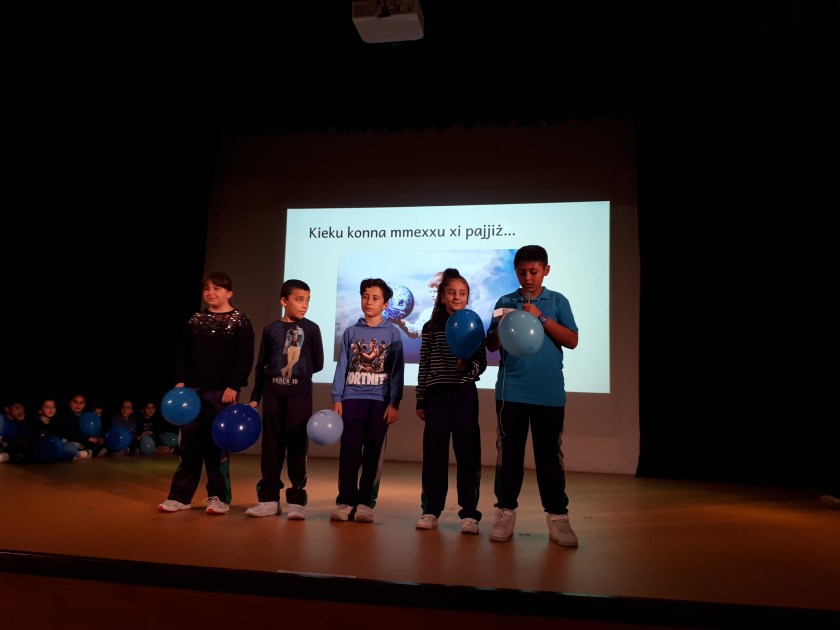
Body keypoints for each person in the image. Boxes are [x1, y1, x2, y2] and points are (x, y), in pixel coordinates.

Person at [484, 245, 580, 547]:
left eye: (534, 272)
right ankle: (505, 512)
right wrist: (502, 328)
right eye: (522, 272)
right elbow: (491, 345)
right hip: (511, 391)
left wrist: (541, 318)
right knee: (509, 455)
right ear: (515, 272)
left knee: (549, 457)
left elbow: (572, 340)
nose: (528, 278)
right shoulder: (504, 302)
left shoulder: (558, 301)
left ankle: (558, 517)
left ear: (546, 271)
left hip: (548, 392)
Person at [157, 271, 255, 516]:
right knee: (188, 446)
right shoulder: (195, 320)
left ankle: (219, 498)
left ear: (229, 293)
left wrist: (234, 385)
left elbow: (244, 357)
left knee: (217, 447)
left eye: (217, 288)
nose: (211, 293)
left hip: (222, 393)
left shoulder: (240, 321)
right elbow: (181, 352)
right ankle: (179, 497)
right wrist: (179, 382)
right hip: (191, 393)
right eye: (207, 288)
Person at [414, 268, 487, 534]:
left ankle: (469, 513)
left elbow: (481, 363)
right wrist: (421, 398)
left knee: (468, 454)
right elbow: (424, 363)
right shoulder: (431, 327)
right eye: (451, 292)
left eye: (462, 293)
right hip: (436, 397)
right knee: (434, 455)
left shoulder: (474, 324)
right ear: (442, 296)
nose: (457, 297)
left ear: (467, 297)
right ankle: (431, 510)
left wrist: (467, 366)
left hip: (464, 395)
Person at [246, 279, 324, 520]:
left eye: (307, 300)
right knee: (271, 447)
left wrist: (298, 373)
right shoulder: (271, 330)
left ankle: (297, 500)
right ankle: (269, 500)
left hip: (299, 397)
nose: (304, 305)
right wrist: (255, 397)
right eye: (299, 300)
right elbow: (261, 366)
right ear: (283, 301)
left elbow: (319, 363)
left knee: (298, 447)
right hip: (273, 395)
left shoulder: (312, 329)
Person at [330, 278, 404, 523]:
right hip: (352, 399)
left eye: (375, 298)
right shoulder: (351, 332)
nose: (369, 302)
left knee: (373, 454)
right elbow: (342, 366)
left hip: (380, 402)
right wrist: (337, 397)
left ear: (385, 304)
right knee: (349, 452)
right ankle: (345, 501)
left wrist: (394, 403)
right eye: (365, 296)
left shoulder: (392, 334)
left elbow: (397, 372)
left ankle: (365, 503)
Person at [392, 271, 444, 339]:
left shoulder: (454, 313)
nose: (432, 295)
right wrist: (401, 322)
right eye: (430, 291)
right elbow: (417, 332)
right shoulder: (427, 314)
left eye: (435, 291)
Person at [55, 393, 105, 458]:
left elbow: (92, 429)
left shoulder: (86, 416)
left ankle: (86, 453)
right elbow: (70, 432)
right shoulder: (64, 416)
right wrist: (88, 438)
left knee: (100, 446)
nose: (78, 405)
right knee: (71, 446)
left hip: (83, 441)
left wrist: (98, 438)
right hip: (70, 440)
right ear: (69, 403)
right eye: (75, 402)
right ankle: (84, 453)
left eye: (82, 402)